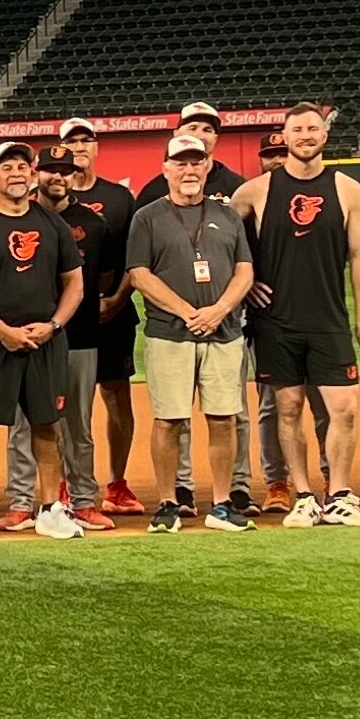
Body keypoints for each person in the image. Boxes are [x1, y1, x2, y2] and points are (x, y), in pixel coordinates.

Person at [228, 104, 360, 527]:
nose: (306, 135)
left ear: (324, 135)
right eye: (298, 129)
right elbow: (221, 237)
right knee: (288, 408)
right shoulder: (256, 191)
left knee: (344, 409)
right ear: (286, 136)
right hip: (275, 321)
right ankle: (303, 495)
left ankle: (341, 495)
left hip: (328, 317)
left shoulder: (347, 189)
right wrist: (246, 281)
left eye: (313, 128)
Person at [0, 141, 84, 543]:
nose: (16, 174)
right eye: (7, 167)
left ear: (32, 174)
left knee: (47, 425)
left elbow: (74, 283)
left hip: (44, 340)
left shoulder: (51, 223)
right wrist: (1, 331)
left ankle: (49, 509)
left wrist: (54, 325)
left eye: (22, 167)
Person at [128, 136, 258, 534]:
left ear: (207, 167)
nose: (188, 170)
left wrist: (219, 310)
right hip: (170, 333)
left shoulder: (227, 215)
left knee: (223, 417)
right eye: (180, 163)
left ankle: (221, 503)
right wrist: (187, 311)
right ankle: (168, 502)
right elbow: (139, 274)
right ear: (165, 168)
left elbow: (244, 271)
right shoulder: (148, 216)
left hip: (223, 332)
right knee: (169, 420)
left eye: (195, 163)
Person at [39, 119, 136, 524]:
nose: (62, 173)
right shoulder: (23, 213)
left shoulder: (107, 207)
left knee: (86, 414)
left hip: (88, 329)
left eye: (84, 141)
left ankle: (91, 493)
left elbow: (112, 273)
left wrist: (108, 304)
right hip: (36, 334)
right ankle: (35, 498)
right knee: (39, 418)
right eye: (68, 144)